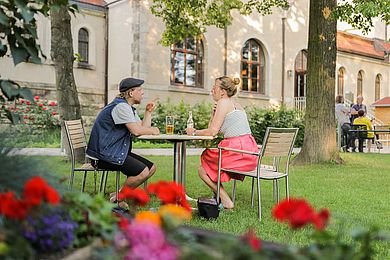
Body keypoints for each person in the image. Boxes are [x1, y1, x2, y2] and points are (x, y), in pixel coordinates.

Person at [186, 76, 259, 209]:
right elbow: (217, 130)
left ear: (223, 92)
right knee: (210, 160)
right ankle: (219, 197)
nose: (212, 90)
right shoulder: (236, 104)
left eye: (215, 87)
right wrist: (213, 115)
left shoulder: (223, 102)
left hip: (238, 152)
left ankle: (225, 200)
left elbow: (212, 132)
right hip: (250, 153)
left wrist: (194, 132)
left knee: (203, 169)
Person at [87, 77, 160, 203]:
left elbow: (142, 128)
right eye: (140, 90)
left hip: (113, 151)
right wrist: (153, 131)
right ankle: (118, 198)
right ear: (131, 93)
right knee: (142, 172)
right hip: (104, 155)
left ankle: (118, 193)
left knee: (151, 168)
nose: (142, 92)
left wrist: (148, 112)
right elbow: (136, 131)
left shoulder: (127, 107)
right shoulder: (121, 107)